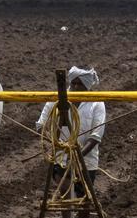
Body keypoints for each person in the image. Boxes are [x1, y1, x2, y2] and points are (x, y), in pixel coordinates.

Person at [35, 66, 106, 201]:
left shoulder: (97, 103)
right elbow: (41, 126)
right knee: (64, 189)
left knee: (84, 199)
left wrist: (77, 155)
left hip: (87, 160)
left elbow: (96, 136)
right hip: (61, 157)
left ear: (88, 86)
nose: (76, 87)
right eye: (74, 83)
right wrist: (55, 143)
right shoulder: (56, 99)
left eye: (80, 84)